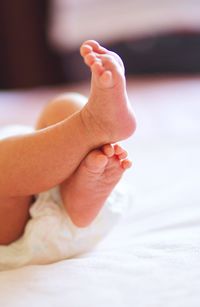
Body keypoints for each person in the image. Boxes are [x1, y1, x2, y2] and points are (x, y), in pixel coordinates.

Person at [0, 40, 136, 246]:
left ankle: (80, 189)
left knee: (62, 106)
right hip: (16, 236)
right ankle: (90, 125)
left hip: (58, 180)